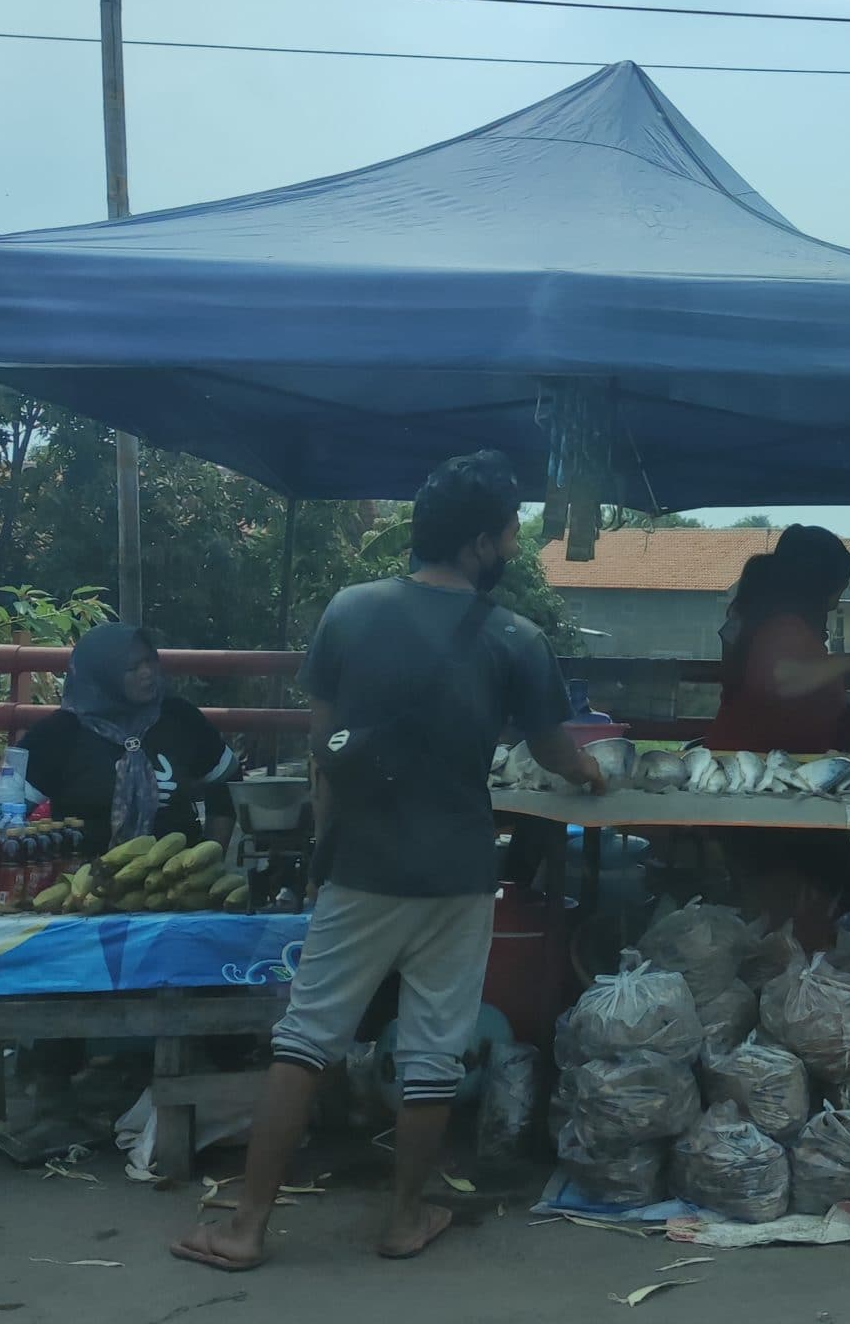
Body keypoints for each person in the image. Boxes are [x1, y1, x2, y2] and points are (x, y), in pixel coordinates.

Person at [172, 451, 603, 1273]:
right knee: (437, 1046)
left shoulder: (350, 610)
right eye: (511, 530)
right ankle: (404, 1218)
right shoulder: (516, 637)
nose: (516, 543)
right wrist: (590, 774)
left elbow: (323, 749)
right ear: (481, 543)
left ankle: (245, 1227)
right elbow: (556, 751)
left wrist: (320, 853)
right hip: (460, 870)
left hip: (362, 862)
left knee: (305, 1038)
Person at [18, 621, 237, 856]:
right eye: (132, 668)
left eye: (150, 661)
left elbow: (227, 780)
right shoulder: (60, 733)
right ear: (102, 674)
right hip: (82, 881)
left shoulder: (179, 717)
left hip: (176, 881)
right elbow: (2, 811)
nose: (148, 673)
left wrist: (211, 855)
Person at [706, 525, 850, 754]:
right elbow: (781, 679)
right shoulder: (783, 626)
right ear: (820, 581)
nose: (838, 602)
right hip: (753, 764)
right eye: (841, 585)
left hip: (763, 756)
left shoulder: (766, 619)